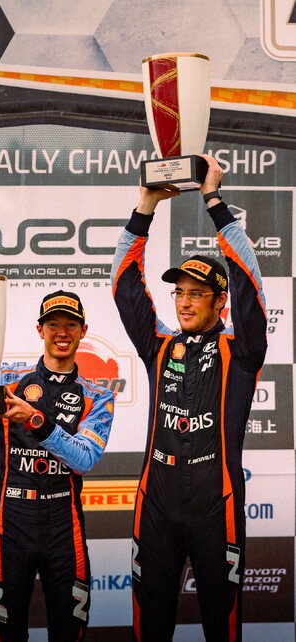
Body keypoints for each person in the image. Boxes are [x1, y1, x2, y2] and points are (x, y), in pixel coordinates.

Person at [111, 154, 267, 641]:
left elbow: (250, 287)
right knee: (149, 620)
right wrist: (145, 206)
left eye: (196, 293)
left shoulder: (241, 351)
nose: (183, 301)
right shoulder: (159, 345)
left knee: (222, 622)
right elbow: (124, 287)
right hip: (156, 500)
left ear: (220, 302)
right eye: (179, 292)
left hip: (215, 501)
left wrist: (213, 201)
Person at [0, 290, 114, 641]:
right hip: (11, 519)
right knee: (6, 631)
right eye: (53, 324)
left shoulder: (97, 395)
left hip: (63, 523)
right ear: (40, 330)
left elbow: (85, 459)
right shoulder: (9, 380)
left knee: (69, 630)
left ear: (83, 331)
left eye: (71, 325)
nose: (62, 332)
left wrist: (36, 420)